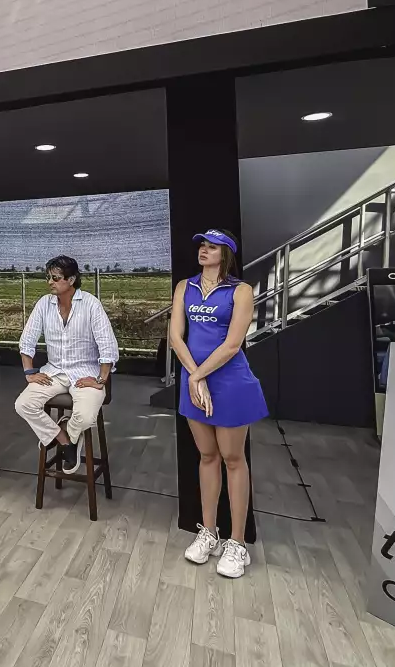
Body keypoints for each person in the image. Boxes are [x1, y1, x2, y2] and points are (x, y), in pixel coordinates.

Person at [168, 230, 268, 579]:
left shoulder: (241, 291)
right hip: (195, 381)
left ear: (225, 254)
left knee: (233, 458)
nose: (203, 250)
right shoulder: (185, 287)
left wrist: (197, 376)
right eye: (201, 245)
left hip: (229, 383)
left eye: (211, 247)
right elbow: (175, 336)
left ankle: (237, 543)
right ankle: (208, 532)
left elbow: (232, 344)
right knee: (207, 456)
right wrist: (194, 378)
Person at [15, 255, 118, 474]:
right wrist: (29, 372)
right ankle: (65, 440)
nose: (50, 282)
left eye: (55, 278)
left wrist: (100, 379)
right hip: (54, 371)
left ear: (71, 280)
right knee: (23, 404)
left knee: (86, 417)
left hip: (85, 373)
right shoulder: (44, 303)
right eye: (48, 277)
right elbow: (27, 341)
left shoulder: (90, 304)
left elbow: (107, 345)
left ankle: (66, 431)